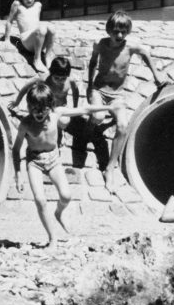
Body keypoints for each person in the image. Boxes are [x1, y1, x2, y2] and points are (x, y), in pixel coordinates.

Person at [12, 81, 115, 248]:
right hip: (35, 162)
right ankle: (53, 238)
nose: (38, 113)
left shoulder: (56, 114)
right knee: (40, 200)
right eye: (34, 108)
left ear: (50, 106)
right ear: (29, 106)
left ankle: (58, 213)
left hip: (53, 159)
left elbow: (85, 110)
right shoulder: (26, 124)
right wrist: (18, 173)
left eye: (43, 108)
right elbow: (16, 150)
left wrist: (108, 108)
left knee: (66, 196)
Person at [87, 10, 168, 193]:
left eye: (123, 31)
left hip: (117, 95)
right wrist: (89, 85)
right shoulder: (100, 44)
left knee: (123, 127)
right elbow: (93, 63)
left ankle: (110, 168)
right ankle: (91, 126)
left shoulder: (130, 47)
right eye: (116, 31)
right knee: (98, 117)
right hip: (100, 90)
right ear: (109, 30)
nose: (120, 35)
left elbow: (145, 54)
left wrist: (156, 77)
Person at [9, 57, 111, 171]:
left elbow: (75, 91)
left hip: (60, 108)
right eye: (56, 78)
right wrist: (17, 101)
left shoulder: (70, 81)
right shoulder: (44, 79)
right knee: (39, 123)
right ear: (51, 73)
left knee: (63, 121)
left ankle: (57, 134)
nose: (60, 80)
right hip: (46, 108)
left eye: (63, 78)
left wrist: (75, 107)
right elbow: (27, 86)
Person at [1, 0, 55, 72]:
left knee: (51, 27)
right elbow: (9, 21)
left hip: (38, 39)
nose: (30, 0)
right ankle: (37, 59)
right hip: (27, 40)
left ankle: (48, 55)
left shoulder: (38, 5)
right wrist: (7, 40)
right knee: (41, 29)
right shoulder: (17, 4)